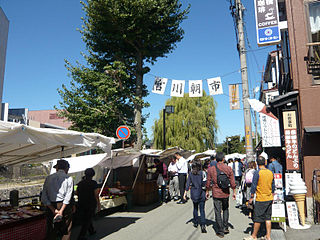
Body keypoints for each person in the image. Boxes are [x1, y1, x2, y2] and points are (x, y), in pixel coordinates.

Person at [41, 159, 74, 240]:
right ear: (66, 169)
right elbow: (68, 198)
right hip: (64, 206)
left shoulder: (48, 178)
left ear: (57, 168)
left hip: (51, 205)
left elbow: (44, 197)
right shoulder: (69, 179)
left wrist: (53, 210)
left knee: (51, 229)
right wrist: (61, 211)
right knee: (66, 229)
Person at [244, 156, 275, 240]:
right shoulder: (270, 172)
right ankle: (268, 236)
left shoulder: (257, 173)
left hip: (261, 198)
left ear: (257, 163)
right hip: (269, 197)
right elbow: (273, 186)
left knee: (257, 218)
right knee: (268, 218)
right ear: (265, 162)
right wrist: (272, 194)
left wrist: (251, 197)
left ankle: (254, 236)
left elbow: (253, 186)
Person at [206, 152, 236, 238]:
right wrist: (234, 192)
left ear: (215, 159)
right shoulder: (228, 168)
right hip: (225, 192)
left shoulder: (211, 169)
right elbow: (233, 182)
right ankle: (226, 227)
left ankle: (220, 231)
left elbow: (208, 182)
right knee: (226, 209)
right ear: (223, 159)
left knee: (217, 211)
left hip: (216, 193)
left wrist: (207, 191)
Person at [76, 168, 101, 240]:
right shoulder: (94, 183)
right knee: (87, 219)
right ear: (93, 175)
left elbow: (77, 193)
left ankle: (91, 230)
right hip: (91, 203)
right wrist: (99, 205)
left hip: (81, 203)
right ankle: (81, 236)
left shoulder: (80, 183)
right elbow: (96, 195)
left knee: (86, 218)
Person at [184, 161, 207, 233]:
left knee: (195, 208)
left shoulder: (190, 174)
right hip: (201, 193)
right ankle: (203, 225)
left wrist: (185, 193)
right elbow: (205, 184)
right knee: (202, 209)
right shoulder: (202, 173)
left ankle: (196, 222)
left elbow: (188, 184)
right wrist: (207, 192)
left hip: (194, 193)